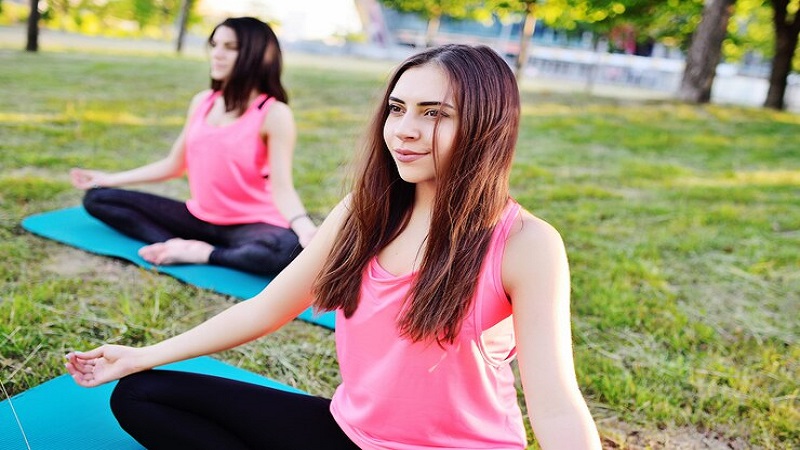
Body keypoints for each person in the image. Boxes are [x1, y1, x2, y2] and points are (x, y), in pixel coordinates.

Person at [66, 44, 602, 449]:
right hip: (348, 433)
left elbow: (555, 405)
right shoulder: (362, 213)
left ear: (488, 125)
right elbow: (267, 308)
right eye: (398, 108)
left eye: (435, 113)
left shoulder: (527, 244)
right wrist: (141, 356)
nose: (405, 130)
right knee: (142, 395)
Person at [69, 17, 316, 276]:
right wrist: (108, 179)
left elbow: (282, 188)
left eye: (230, 47)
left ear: (260, 55)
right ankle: (175, 245)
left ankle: (204, 253)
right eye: (214, 45)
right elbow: (173, 165)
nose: (217, 54)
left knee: (284, 250)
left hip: (251, 224)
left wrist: (304, 228)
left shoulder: (273, 113)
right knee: (98, 197)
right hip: (198, 217)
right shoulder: (203, 102)